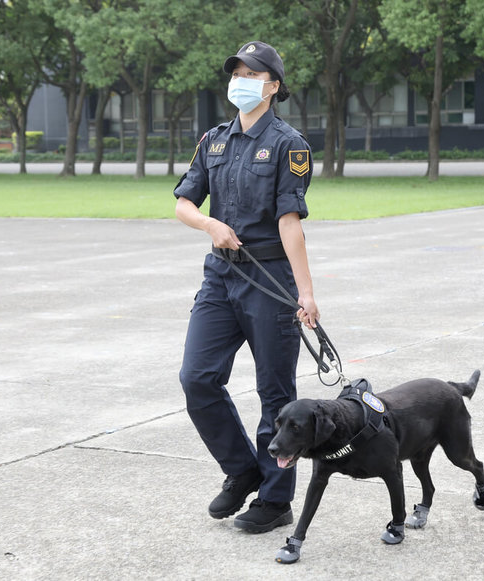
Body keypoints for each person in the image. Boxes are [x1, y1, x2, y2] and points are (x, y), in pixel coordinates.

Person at [173, 41, 319, 534]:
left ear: (273, 86)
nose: (241, 79)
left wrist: (306, 293)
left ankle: (276, 502)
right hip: (221, 274)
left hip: (270, 278)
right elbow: (184, 204)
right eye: (237, 71)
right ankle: (241, 471)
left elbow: (289, 222)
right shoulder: (213, 139)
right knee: (197, 378)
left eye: (253, 73)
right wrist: (209, 226)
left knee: (274, 394)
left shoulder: (289, 145)